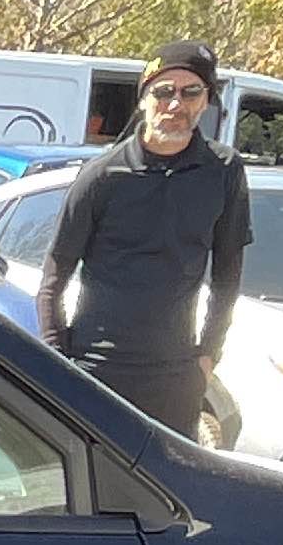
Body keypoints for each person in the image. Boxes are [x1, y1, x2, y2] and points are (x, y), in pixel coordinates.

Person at [40, 39, 250, 437]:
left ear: (206, 101)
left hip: (176, 376)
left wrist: (208, 355)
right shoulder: (102, 175)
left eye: (191, 92)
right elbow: (54, 277)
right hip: (96, 371)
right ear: (144, 100)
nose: (175, 104)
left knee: (169, 478)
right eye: (163, 92)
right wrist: (58, 359)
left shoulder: (223, 171)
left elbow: (228, 276)